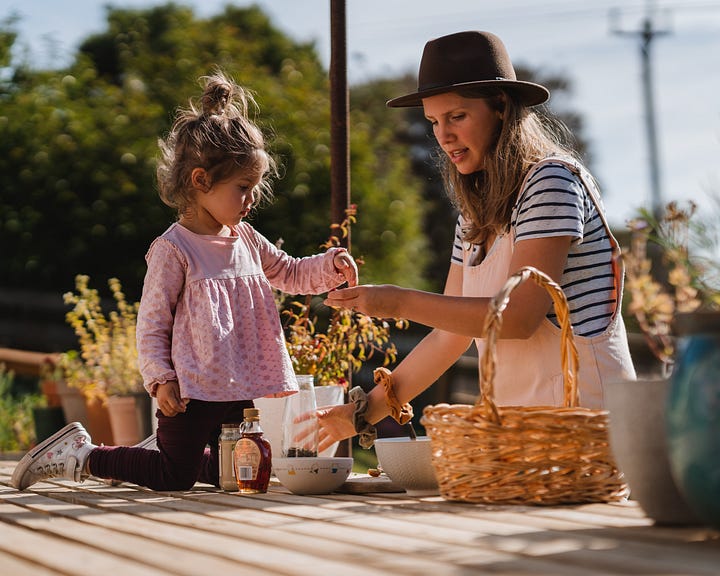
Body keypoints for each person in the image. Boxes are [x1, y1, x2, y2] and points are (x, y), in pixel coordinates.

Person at [10, 71, 358, 491]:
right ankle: (82, 456)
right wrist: (160, 379)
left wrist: (331, 265)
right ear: (200, 180)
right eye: (243, 187)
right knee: (173, 477)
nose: (252, 199)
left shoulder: (245, 237)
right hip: (191, 390)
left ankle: (150, 453)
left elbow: (287, 270)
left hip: (238, 385)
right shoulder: (173, 250)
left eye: (256, 188)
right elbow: (153, 322)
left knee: (233, 474)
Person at [315, 31, 636, 451]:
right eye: (433, 122)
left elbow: (520, 317)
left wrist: (399, 303)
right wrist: (360, 413)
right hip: (517, 437)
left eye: (457, 116)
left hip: (586, 429)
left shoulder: (550, 181)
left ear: (501, 107)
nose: (443, 135)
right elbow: (450, 336)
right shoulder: (473, 213)